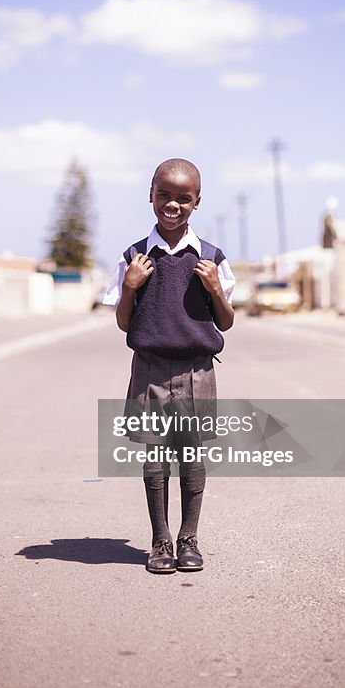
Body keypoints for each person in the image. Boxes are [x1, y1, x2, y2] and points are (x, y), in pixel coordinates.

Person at [103, 158, 235, 574]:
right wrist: (129, 287)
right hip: (150, 369)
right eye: (164, 196)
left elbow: (226, 322)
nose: (172, 205)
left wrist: (215, 289)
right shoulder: (135, 257)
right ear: (150, 195)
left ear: (197, 203)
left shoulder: (211, 258)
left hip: (197, 370)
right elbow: (124, 321)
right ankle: (160, 541)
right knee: (156, 455)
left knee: (191, 454)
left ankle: (188, 538)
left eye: (183, 198)